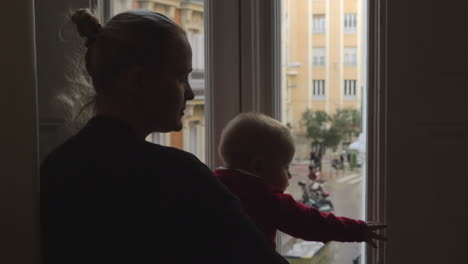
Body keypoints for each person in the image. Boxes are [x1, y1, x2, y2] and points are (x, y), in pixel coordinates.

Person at [40, 9, 288, 264]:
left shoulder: (57, 165)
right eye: (181, 77)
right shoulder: (179, 176)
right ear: (139, 81)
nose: (190, 93)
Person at [215, 112, 387, 248]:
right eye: (285, 167)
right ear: (258, 166)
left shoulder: (211, 184)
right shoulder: (265, 198)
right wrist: (358, 230)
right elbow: (313, 223)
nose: (289, 175)